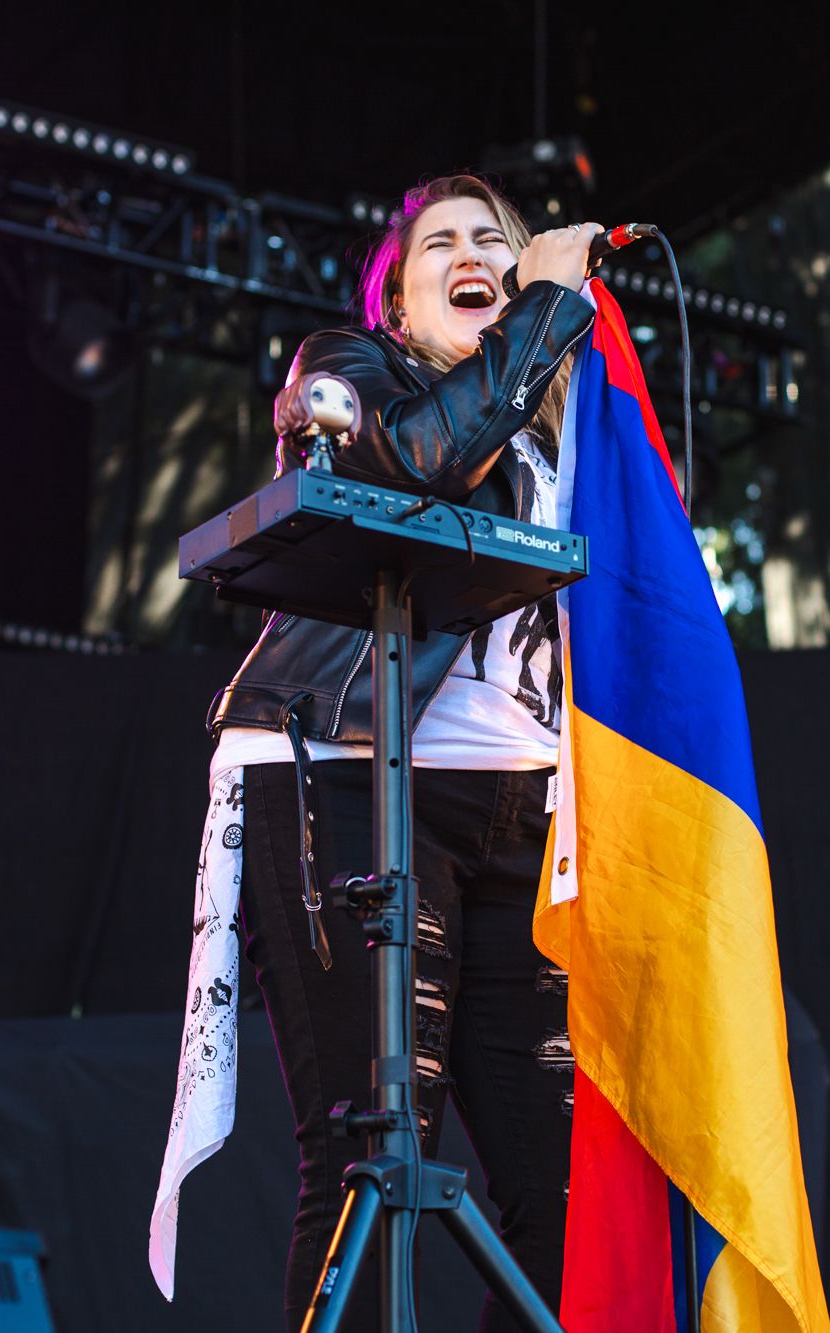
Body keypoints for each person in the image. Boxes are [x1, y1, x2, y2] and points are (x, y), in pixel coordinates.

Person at [203, 174, 600, 1331]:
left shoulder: (575, 431)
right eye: (442, 244)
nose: (472, 253)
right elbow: (418, 464)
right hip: (353, 778)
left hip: (524, 814)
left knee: (567, 1187)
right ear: (397, 298)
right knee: (376, 1157)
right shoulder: (351, 369)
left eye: (495, 239)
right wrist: (543, 306)